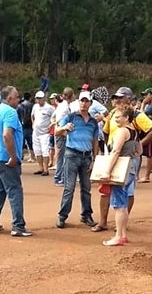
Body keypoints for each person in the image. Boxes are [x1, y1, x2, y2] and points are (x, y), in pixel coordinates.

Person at [92, 87, 152, 232]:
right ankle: (103, 222)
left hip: (128, 158)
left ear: (129, 99)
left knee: (126, 191)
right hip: (113, 155)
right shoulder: (112, 113)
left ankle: (121, 224)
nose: (116, 100)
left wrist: (139, 144)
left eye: (120, 97)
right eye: (115, 97)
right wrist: (109, 147)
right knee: (105, 190)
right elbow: (106, 132)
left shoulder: (136, 115)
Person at [0, 86, 33, 237]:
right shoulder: (10, 112)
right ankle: (18, 225)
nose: (19, 100)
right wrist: (12, 156)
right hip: (5, 158)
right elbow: (7, 135)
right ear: (9, 99)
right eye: (16, 97)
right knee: (15, 190)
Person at [95, 105, 140, 246]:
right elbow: (139, 150)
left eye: (118, 117)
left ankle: (118, 236)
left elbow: (115, 151)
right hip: (131, 166)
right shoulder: (134, 131)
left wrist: (107, 171)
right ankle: (123, 234)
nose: (115, 119)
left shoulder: (122, 131)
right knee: (123, 202)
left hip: (121, 169)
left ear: (126, 118)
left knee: (118, 204)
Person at [55, 91, 100, 229]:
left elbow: (95, 141)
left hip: (86, 156)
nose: (84, 103)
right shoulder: (71, 117)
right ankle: (62, 216)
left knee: (86, 188)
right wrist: (64, 127)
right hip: (72, 155)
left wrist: (94, 158)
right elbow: (56, 130)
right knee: (69, 188)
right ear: (78, 102)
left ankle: (86, 215)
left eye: (86, 101)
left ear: (90, 103)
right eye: (82, 101)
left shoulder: (93, 122)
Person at [52, 87, 75, 186]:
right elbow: (60, 121)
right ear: (71, 95)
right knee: (62, 156)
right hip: (62, 134)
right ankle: (59, 177)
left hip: (62, 132)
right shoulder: (64, 107)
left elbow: (53, 117)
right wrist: (63, 131)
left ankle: (61, 177)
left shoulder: (63, 106)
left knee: (63, 155)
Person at [31, 91, 55, 176]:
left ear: (44, 98)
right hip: (36, 132)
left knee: (45, 151)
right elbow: (32, 116)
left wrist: (51, 126)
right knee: (37, 150)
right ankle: (40, 168)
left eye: (40, 98)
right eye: (37, 98)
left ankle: (46, 169)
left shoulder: (49, 108)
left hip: (45, 133)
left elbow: (55, 117)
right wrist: (33, 124)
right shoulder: (35, 107)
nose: (38, 100)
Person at [17, 92, 35, 163]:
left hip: (22, 126)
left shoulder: (19, 106)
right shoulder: (32, 106)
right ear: (30, 98)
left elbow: (17, 116)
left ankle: (20, 156)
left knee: (21, 142)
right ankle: (32, 156)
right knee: (30, 142)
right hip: (30, 126)